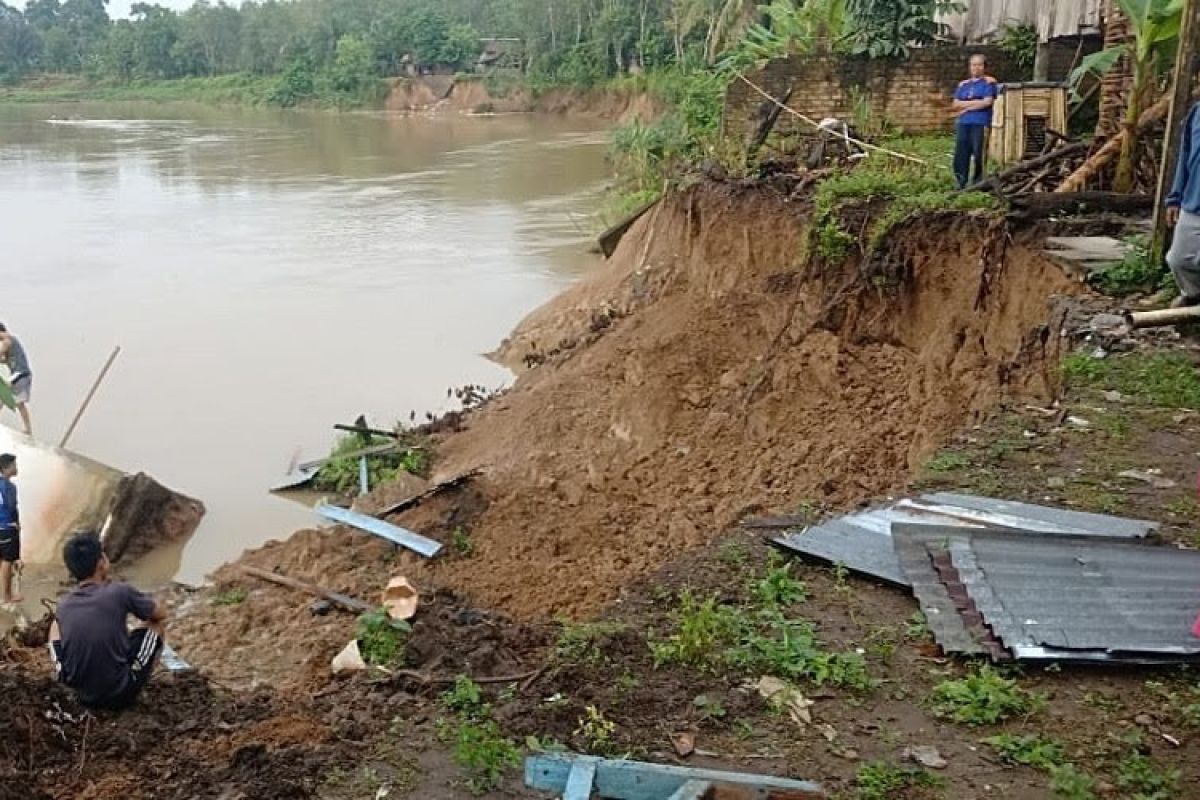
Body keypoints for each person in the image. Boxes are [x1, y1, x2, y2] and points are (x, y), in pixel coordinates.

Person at [49, 532, 168, 710]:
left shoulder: (64, 604)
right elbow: (160, 614)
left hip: (80, 695)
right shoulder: (119, 591)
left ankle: (63, 672)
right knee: (155, 627)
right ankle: (137, 681)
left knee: (55, 625)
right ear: (101, 563)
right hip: (118, 693)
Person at [1165, 100, 1200, 305]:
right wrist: (1175, 197)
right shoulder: (1196, 112)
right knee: (1178, 259)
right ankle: (1194, 297)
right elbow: (1185, 156)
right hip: (1193, 201)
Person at [952, 54, 999, 189]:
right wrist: (975, 103)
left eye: (979, 65)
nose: (976, 68)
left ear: (984, 67)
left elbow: (987, 102)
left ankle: (978, 182)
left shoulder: (989, 83)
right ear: (969, 67)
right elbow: (955, 104)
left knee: (979, 153)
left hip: (980, 122)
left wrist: (965, 105)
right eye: (973, 65)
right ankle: (960, 181)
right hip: (963, 123)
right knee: (961, 153)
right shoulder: (963, 85)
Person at [0, 323, 33, 436]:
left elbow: (1, 353)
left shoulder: (7, 340)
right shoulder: (12, 342)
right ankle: (28, 429)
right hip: (22, 374)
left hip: (20, 374)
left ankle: (28, 429)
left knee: (14, 400)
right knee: (10, 398)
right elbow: (5, 359)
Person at [0, 454, 19, 604]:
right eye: (13, 465)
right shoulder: (9, 486)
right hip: (7, 527)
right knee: (7, 561)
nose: (16, 468)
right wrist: (15, 523)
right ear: (5, 468)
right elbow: (12, 507)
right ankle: (7, 596)